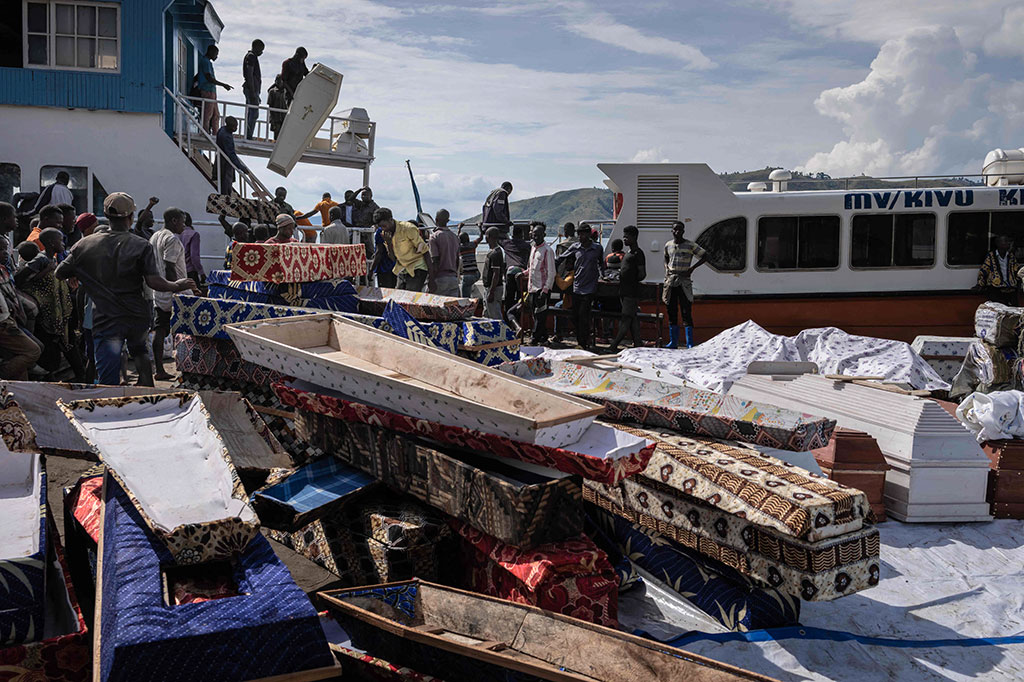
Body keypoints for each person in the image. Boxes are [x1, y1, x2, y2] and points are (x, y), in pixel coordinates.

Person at [55, 192, 196, 387]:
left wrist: (84, 275)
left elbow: (60, 272)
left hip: (105, 317)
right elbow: (154, 281)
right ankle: (147, 394)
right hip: (135, 314)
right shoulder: (140, 245)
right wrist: (176, 285)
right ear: (131, 217)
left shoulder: (84, 245)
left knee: (108, 374)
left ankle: (109, 404)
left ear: (106, 215)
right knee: (140, 352)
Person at [18, 228, 85, 381]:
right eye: (60, 240)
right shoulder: (41, 259)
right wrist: (45, 271)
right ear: (50, 242)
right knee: (51, 354)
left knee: (66, 349)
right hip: (46, 316)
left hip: (58, 314)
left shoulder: (52, 259)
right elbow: (21, 278)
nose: (63, 243)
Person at [149, 208, 188, 380]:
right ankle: (184, 370)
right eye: (182, 221)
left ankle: (159, 369)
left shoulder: (155, 236)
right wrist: (177, 288)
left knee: (160, 328)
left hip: (158, 289)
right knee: (183, 331)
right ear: (174, 221)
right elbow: (170, 266)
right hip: (173, 290)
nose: (184, 225)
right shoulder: (171, 239)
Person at [556, 227, 603, 352]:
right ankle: (583, 339)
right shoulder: (575, 247)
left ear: (588, 235)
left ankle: (582, 343)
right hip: (577, 286)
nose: (581, 237)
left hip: (590, 287)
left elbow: (600, 264)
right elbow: (560, 258)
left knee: (583, 315)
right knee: (575, 315)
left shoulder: (597, 248)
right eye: (579, 234)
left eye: (583, 234)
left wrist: (603, 276)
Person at [663, 220, 706, 349]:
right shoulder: (668, 245)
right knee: (671, 310)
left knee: (686, 310)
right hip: (671, 280)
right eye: (675, 229)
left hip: (684, 281)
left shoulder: (690, 245)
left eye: (680, 230)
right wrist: (666, 268)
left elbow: (705, 256)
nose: (677, 232)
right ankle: (673, 341)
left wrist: (692, 269)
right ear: (672, 231)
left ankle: (689, 342)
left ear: (683, 231)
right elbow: (665, 257)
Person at [609, 225, 646, 353]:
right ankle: (637, 343)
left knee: (626, 318)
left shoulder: (638, 253)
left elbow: (642, 274)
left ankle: (613, 345)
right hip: (624, 291)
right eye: (623, 236)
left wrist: (630, 278)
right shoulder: (628, 253)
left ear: (634, 237)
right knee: (632, 318)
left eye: (627, 236)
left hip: (631, 291)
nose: (624, 239)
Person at [377, 208, 428, 291]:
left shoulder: (408, 229)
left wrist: (431, 277)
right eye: (381, 227)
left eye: (384, 226)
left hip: (417, 269)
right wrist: (389, 243)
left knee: (411, 298)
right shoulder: (386, 234)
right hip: (402, 270)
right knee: (399, 297)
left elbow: (425, 251)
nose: (383, 229)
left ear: (391, 220)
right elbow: (393, 258)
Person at [527, 222, 555, 345]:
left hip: (541, 289)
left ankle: (534, 338)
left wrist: (546, 290)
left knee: (540, 315)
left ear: (544, 235)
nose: (536, 237)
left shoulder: (548, 250)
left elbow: (551, 272)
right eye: (534, 234)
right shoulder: (533, 249)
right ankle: (543, 338)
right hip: (532, 288)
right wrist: (523, 273)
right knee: (535, 315)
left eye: (538, 235)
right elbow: (531, 268)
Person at [198, 44, 232, 134]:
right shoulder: (205, 62)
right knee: (208, 114)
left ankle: (216, 133)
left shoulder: (208, 62)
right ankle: (204, 132)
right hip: (207, 90)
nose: (216, 56)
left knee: (216, 114)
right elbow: (209, 78)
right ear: (211, 52)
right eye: (216, 54)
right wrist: (223, 85)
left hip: (212, 91)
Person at [977, 235, 1020, 305]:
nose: (1008, 243)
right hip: (996, 288)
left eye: (1008, 241)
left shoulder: (1011, 256)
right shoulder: (991, 256)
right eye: (1005, 241)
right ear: (998, 244)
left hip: (1011, 288)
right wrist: (980, 284)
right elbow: (984, 271)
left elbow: (1017, 271)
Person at [427, 209, 460, 296]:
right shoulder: (455, 237)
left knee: (436, 307)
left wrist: (431, 280)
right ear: (448, 221)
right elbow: (457, 260)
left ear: (436, 220)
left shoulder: (434, 237)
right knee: (451, 308)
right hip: (453, 278)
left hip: (440, 278)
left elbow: (435, 260)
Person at [500, 224, 532, 311]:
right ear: (522, 235)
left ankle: (508, 317)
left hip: (510, 271)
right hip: (521, 272)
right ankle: (517, 317)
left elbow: (498, 238)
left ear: (512, 234)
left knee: (509, 297)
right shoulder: (527, 246)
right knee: (520, 297)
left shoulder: (507, 243)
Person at [216, 116, 248, 195]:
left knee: (224, 181)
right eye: (234, 127)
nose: (236, 128)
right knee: (226, 184)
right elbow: (231, 154)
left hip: (221, 158)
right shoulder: (227, 136)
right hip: (225, 162)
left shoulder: (222, 130)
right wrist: (241, 167)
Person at [242, 39, 264, 140]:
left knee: (252, 112)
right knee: (253, 113)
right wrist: (252, 92)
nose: (261, 52)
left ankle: (248, 134)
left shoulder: (252, 57)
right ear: (256, 47)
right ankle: (249, 135)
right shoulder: (251, 57)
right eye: (261, 50)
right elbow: (249, 75)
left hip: (252, 89)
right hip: (251, 89)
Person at [368, 214, 397, 289]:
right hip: (395, 267)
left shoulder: (380, 232)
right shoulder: (395, 229)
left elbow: (379, 252)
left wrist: (371, 270)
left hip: (384, 268)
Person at [482, 227, 505, 320]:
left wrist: (491, 291)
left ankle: (500, 332)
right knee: (487, 313)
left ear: (489, 237)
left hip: (493, 289)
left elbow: (496, 274)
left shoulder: (495, 253)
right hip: (489, 287)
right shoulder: (494, 252)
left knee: (495, 315)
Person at [178, 208, 204, 285]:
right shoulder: (193, 234)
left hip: (178, 271)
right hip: (190, 271)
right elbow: (194, 257)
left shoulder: (175, 233)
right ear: (190, 221)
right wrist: (201, 272)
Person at [458, 228, 483, 298]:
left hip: (468, 275)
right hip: (477, 274)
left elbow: (455, 241)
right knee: (469, 284)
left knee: (465, 298)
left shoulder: (460, 248)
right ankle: (470, 287)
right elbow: (481, 238)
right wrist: (480, 227)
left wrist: (459, 229)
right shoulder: (472, 245)